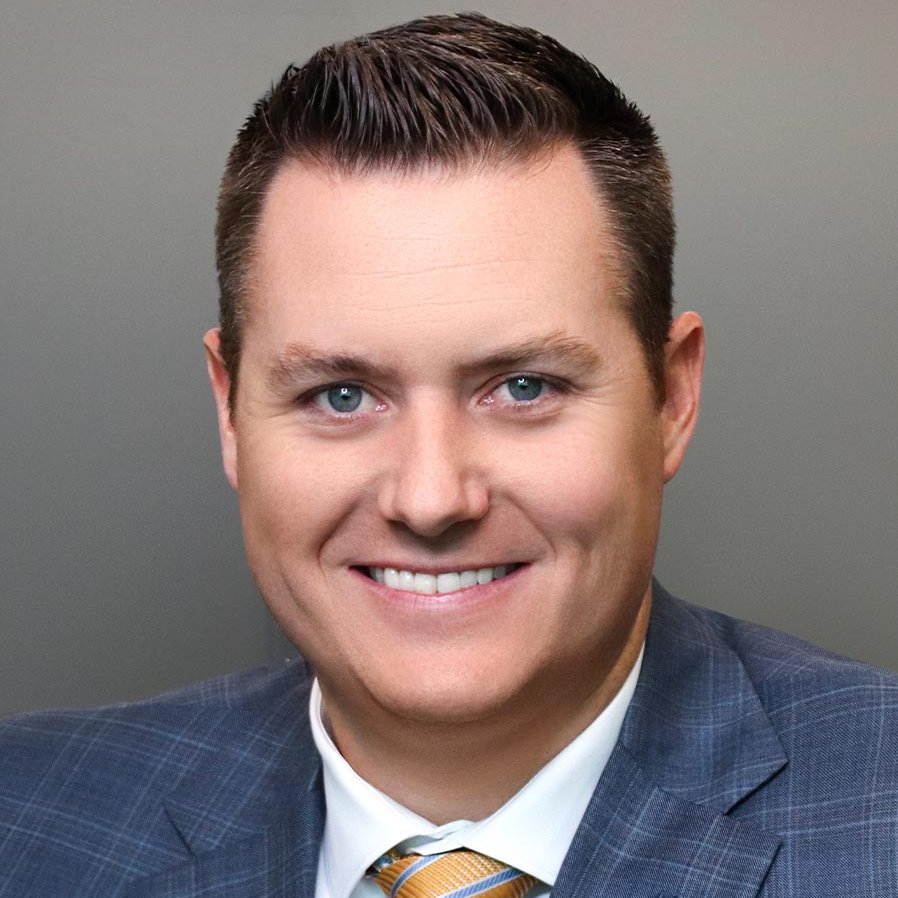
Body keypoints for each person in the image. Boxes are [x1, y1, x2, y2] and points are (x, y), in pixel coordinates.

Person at [1, 12, 896, 898]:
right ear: (231, 415)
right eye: (340, 394)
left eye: (523, 387)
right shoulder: (26, 818)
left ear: (673, 398)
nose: (431, 499)